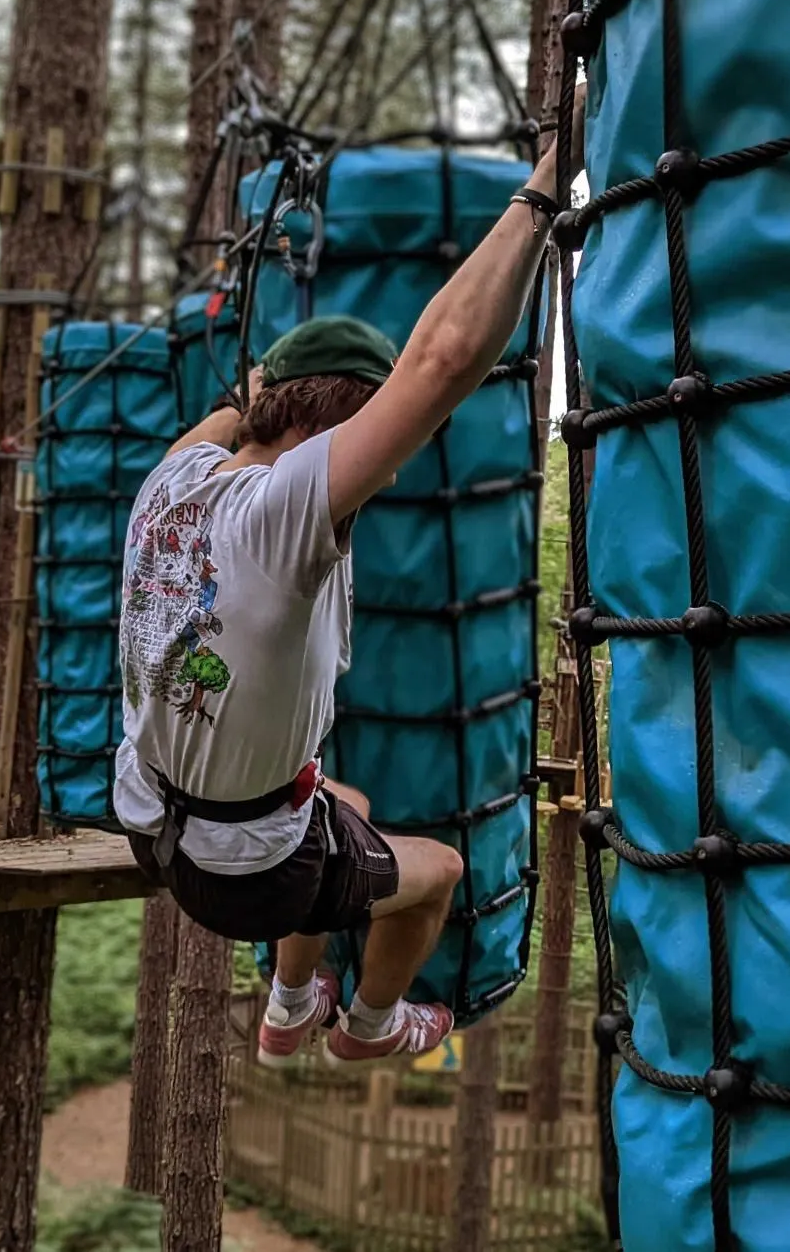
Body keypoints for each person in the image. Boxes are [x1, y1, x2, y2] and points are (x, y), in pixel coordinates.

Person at [115, 122, 574, 1068]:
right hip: (244, 871)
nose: (388, 477)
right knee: (440, 869)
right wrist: (541, 188)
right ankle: (368, 1029)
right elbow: (441, 364)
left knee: (338, 795)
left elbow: (248, 403)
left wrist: (273, 380)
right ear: (341, 425)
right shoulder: (281, 517)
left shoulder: (169, 479)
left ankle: (289, 1006)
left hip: (151, 820)